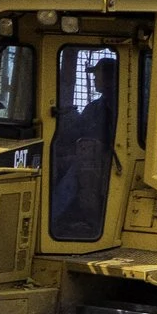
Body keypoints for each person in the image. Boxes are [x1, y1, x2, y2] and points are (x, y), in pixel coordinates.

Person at [49, 52, 118, 242]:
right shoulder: (98, 106)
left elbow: (78, 133)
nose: (95, 79)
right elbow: (75, 132)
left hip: (100, 161)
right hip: (90, 157)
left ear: (110, 77)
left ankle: (52, 218)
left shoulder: (106, 107)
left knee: (73, 171)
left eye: (98, 74)